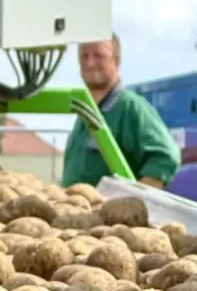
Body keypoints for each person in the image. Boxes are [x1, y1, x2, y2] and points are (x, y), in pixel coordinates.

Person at [61, 34, 182, 190]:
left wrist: (134, 202)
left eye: (98, 55)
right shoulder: (85, 112)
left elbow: (166, 157)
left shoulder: (129, 107)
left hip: (110, 214)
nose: (90, 63)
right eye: (84, 56)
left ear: (116, 61)